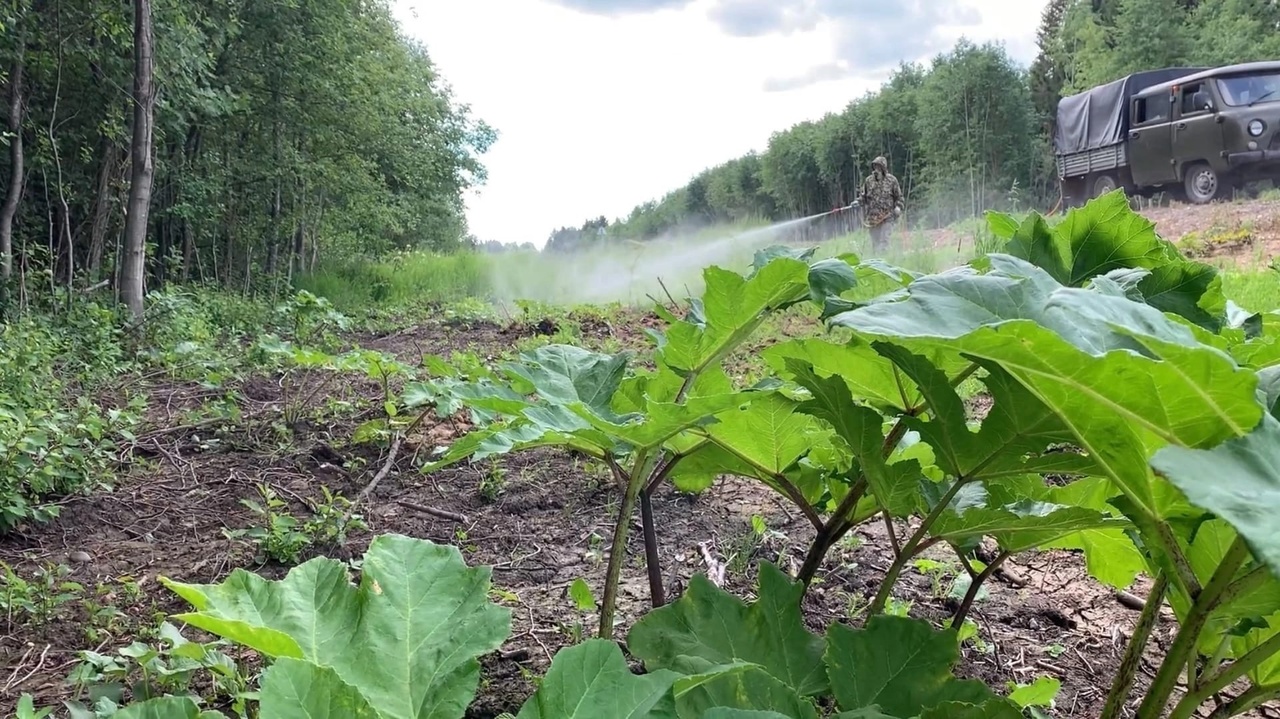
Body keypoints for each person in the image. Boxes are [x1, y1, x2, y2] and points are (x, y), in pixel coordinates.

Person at [859, 156, 903, 253]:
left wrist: (898, 207)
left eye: (879, 167)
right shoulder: (868, 181)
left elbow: (899, 197)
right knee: (875, 244)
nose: (876, 169)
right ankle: (876, 263)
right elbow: (864, 197)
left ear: (884, 168)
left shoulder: (892, 180)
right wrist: (859, 201)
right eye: (875, 166)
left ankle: (885, 260)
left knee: (884, 241)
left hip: (887, 216)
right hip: (873, 218)